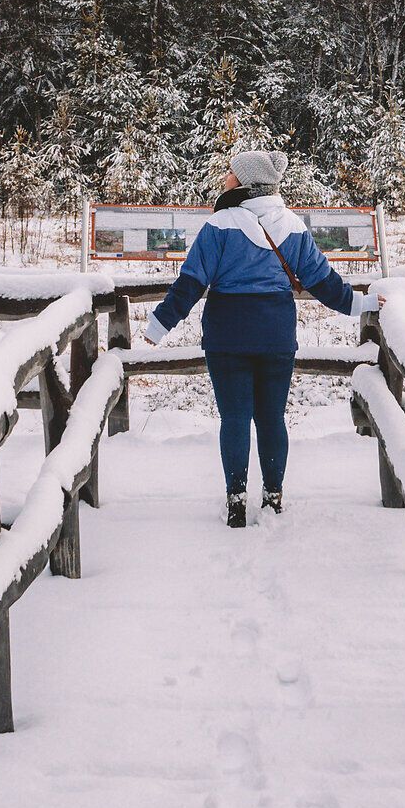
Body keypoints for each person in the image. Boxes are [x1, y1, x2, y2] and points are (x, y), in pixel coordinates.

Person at [141, 149, 360, 526]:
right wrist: (362, 304)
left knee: (236, 418)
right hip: (276, 334)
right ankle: (273, 497)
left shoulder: (220, 225)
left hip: (228, 335)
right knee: (273, 417)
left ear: (243, 182)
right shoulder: (292, 225)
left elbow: (191, 282)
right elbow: (323, 281)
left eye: (230, 172)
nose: (225, 177)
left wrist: (159, 325)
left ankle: (236, 498)